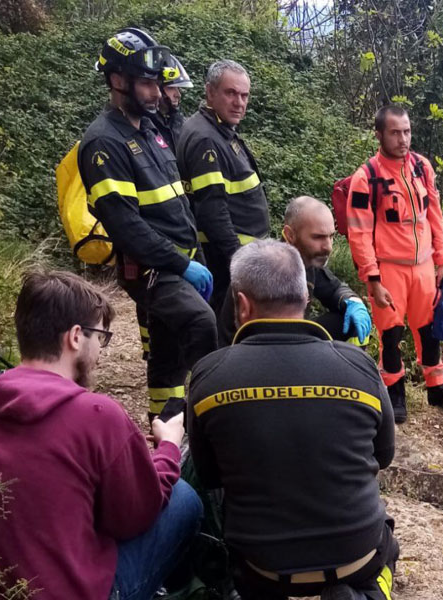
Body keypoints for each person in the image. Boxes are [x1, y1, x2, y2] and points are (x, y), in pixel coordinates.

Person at [188, 240, 398, 600]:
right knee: (388, 546)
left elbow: (210, 476)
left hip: (261, 567)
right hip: (358, 555)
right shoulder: (358, 365)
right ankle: (370, 595)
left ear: (241, 304)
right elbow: (384, 456)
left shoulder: (209, 376)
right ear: (305, 297)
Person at [0, 271, 202, 600]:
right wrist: (168, 446)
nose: (100, 351)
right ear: (75, 337)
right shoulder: (97, 415)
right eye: (101, 338)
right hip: (85, 592)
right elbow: (135, 517)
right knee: (183, 498)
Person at [79, 27, 217, 422]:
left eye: (158, 82)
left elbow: (175, 202)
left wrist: (195, 254)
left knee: (167, 349)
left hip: (182, 256)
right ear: (117, 81)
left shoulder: (152, 127)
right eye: (146, 83)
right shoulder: (103, 143)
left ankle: (164, 427)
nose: (157, 93)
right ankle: (211, 421)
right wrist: (180, 264)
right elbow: (126, 226)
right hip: (154, 266)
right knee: (201, 324)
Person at [345, 105, 443, 423]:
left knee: (429, 329)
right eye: (395, 132)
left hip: (424, 265)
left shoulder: (422, 168)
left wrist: (442, 261)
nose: (403, 139)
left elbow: (435, 217)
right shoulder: (366, 178)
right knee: (390, 333)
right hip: (388, 268)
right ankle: (394, 391)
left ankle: (436, 385)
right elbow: (358, 233)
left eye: (407, 131)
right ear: (379, 134)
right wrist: (371, 277)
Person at [177, 59, 270, 319]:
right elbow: (212, 210)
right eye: (231, 93)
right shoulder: (206, 138)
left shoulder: (219, 130)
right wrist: (240, 262)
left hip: (236, 258)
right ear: (210, 92)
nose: (239, 102)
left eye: (244, 95)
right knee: (226, 333)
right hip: (225, 262)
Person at [283, 195, 371, 343]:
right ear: (290, 235)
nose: (328, 247)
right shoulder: (267, 269)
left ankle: (351, 364)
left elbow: (334, 288)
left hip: (300, 337)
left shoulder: (306, 259)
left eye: (331, 236)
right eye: (318, 237)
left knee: (350, 322)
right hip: (267, 349)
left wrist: (353, 301)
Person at [152, 54, 193, 150]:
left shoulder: (180, 123)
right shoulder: (146, 126)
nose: (178, 94)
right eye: (171, 88)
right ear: (157, 88)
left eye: (178, 88)